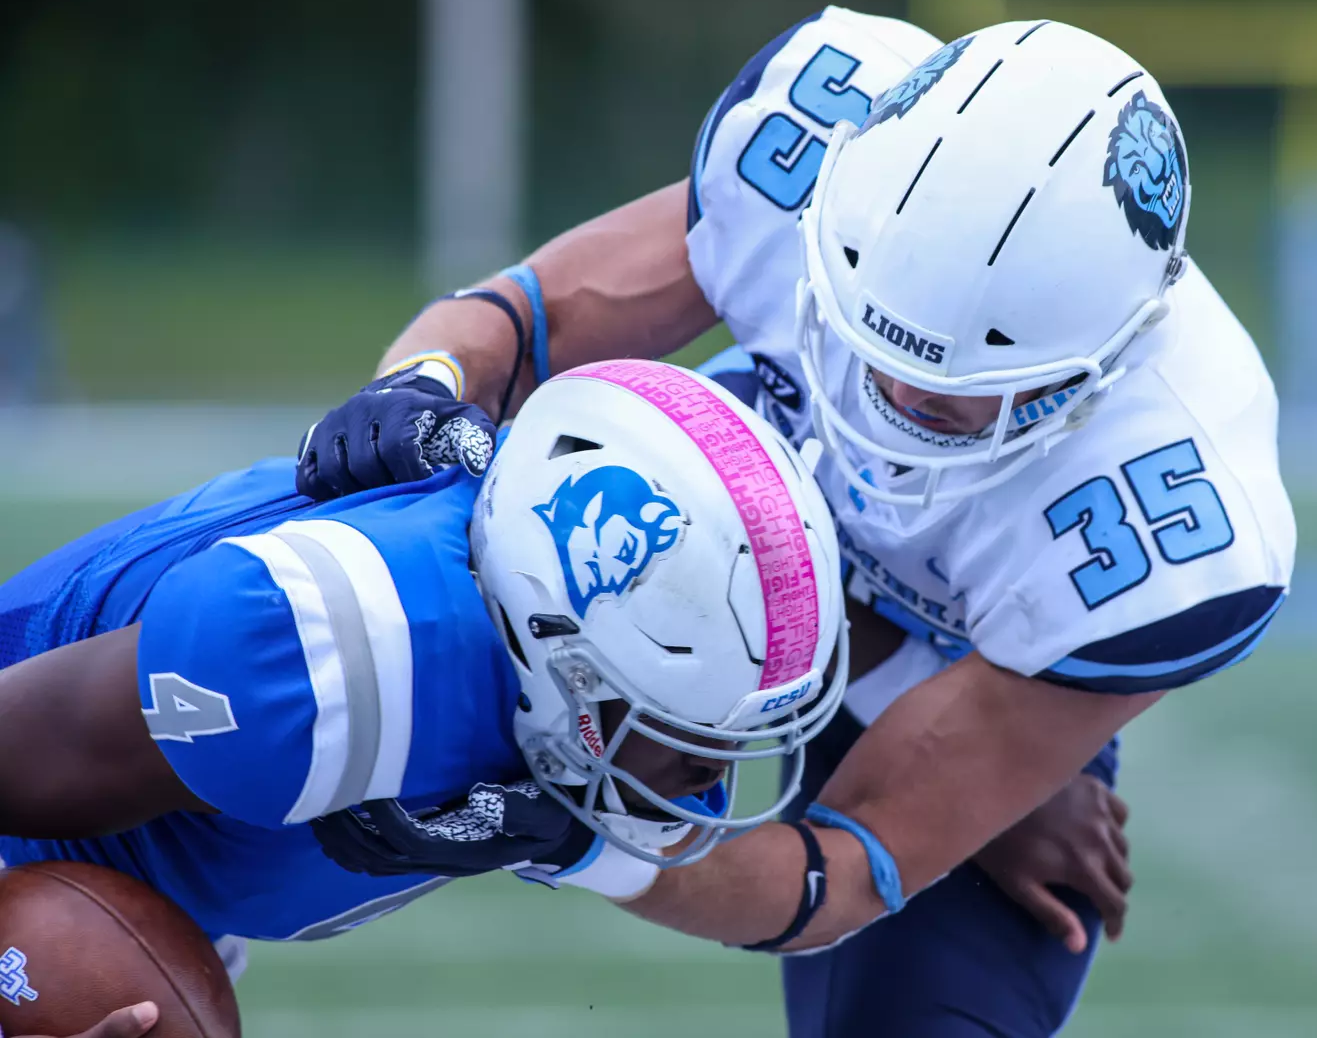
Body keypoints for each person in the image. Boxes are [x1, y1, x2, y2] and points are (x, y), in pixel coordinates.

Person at [297, 12, 1295, 1035]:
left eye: (952, 394)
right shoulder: (814, 141)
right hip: (697, 520)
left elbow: (840, 870)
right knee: (317, 636)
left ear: (1107, 360)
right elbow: (530, 316)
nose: (893, 403)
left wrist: (585, 846)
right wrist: (424, 382)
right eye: (871, 345)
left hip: (966, 657)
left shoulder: (1179, 515)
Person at [0, 362, 846, 1032]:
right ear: (561, 650)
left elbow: (780, 896)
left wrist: (574, 847)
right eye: (687, 723)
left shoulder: (556, 636)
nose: (710, 774)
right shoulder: (339, 650)